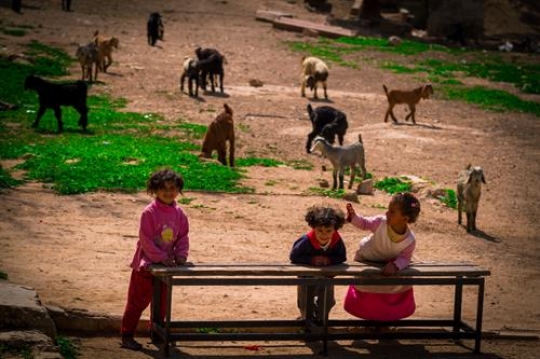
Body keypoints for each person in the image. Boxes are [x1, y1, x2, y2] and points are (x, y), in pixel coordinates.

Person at [120, 168, 190, 350]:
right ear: (155, 190)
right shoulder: (149, 213)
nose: (168, 192)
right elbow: (145, 239)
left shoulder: (180, 214)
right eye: (163, 188)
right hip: (146, 266)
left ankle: (156, 333)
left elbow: (183, 237)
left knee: (161, 305)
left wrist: (181, 255)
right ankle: (127, 335)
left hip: (166, 267)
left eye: (172, 188)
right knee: (137, 302)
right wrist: (161, 257)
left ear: (178, 189)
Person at [343, 192, 421, 322]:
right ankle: (368, 316)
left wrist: (396, 265)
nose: (386, 213)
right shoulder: (381, 222)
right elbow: (364, 223)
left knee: (391, 286)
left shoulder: (410, 240)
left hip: (386, 263)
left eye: (392, 212)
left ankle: (386, 317)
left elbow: (405, 259)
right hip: (366, 258)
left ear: (405, 219)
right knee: (367, 287)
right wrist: (353, 217)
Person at [290, 205, 347, 324]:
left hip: (326, 277)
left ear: (335, 229)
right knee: (305, 302)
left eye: (328, 231)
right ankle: (307, 322)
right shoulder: (306, 240)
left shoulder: (337, 241)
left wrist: (329, 260)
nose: (324, 235)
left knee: (327, 301)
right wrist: (311, 260)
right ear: (313, 227)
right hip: (306, 278)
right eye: (319, 230)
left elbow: (342, 257)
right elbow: (294, 256)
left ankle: (321, 322)